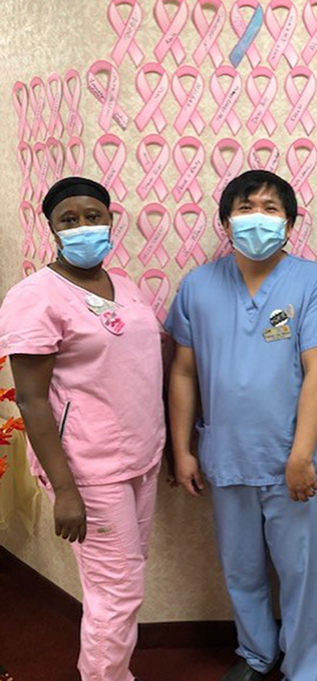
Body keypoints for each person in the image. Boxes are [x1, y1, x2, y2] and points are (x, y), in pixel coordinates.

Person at [167, 170, 317, 681]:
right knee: (241, 569)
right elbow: (181, 370)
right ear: (225, 220)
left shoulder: (311, 282)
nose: (257, 218)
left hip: (289, 459)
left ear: (290, 221)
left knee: (300, 574)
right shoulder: (198, 285)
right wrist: (182, 450)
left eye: (270, 208)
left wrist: (300, 456)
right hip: (224, 455)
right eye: (246, 207)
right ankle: (255, 653)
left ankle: (305, 669)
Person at [0, 177, 165, 681]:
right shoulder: (35, 296)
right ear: (52, 227)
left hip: (140, 458)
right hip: (89, 471)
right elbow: (30, 397)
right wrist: (65, 490)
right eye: (69, 219)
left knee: (123, 582)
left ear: (110, 219)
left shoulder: (126, 286)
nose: (84, 227)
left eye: (93, 216)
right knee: (115, 592)